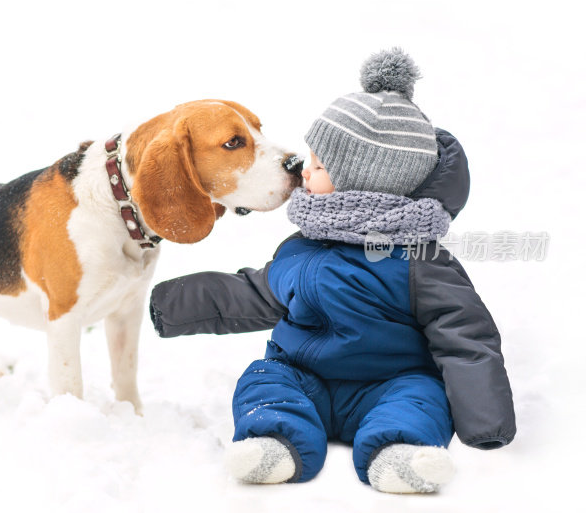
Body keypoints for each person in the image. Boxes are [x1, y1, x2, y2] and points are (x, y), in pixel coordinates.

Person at [148, 48, 515, 493]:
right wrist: (170, 305)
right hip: (304, 377)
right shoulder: (303, 248)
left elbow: (465, 336)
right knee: (264, 378)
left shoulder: (419, 261)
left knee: (421, 399)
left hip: (390, 383)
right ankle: (274, 443)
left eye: (319, 165)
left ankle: (399, 456)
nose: (304, 171)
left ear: (364, 181)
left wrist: (484, 421)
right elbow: (255, 294)